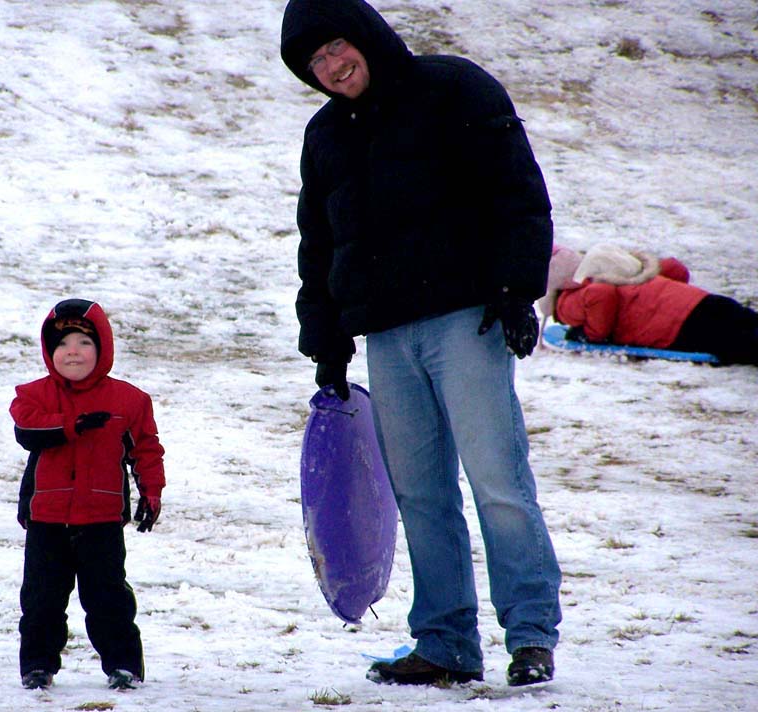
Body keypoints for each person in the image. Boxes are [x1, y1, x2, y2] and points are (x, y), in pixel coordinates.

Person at [280, 0, 562, 687]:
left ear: (368, 36)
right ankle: (445, 644)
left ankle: (529, 636)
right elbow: (318, 246)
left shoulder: (453, 88)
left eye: (338, 47)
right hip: (387, 334)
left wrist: (515, 289)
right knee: (420, 494)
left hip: (468, 320)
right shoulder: (325, 137)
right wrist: (326, 340)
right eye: (314, 61)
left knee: (497, 480)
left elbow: (516, 191)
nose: (331, 66)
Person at [9, 298, 165, 691]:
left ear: (103, 348)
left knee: (108, 599)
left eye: (84, 342)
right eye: (62, 344)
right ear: (49, 352)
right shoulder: (33, 396)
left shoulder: (129, 401)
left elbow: (146, 450)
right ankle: (38, 666)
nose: (72, 352)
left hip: (101, 520)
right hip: (47, 519)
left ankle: (124, 665)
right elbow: (27, 431)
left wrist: (151, 493)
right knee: (42, 600)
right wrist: (74, 424)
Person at [542, 243, 758, 365]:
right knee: (746, 322)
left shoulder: (566, 299)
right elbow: (675, 269)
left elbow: (601, 295)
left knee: (744, 345)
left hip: (677, 328)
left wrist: (593, 335)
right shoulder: (617, 269)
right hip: (701, 301)